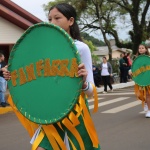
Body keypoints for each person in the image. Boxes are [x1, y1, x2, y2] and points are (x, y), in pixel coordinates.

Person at [2, 3, 100, 150]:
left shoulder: (81, 48)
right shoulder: (42, 49)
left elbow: (91, 92)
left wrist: (84, 83)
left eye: (57, 18)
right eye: (50, 19)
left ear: (71, 21)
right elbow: (33, 79)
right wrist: (13, 76)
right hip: (50, 112)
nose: (52, 23)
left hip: (75, 115)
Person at [129, 43, 150, 118]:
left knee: (148, 94)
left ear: (146, 49)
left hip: (148, 79)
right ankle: (146, 103)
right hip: (140, 80)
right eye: (139, 48)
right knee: (141, 95)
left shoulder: (148, 58)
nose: (141, 49)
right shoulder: (136, 59)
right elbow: (133, 68)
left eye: (142, 48)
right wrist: (130, 71)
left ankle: (148, 110)